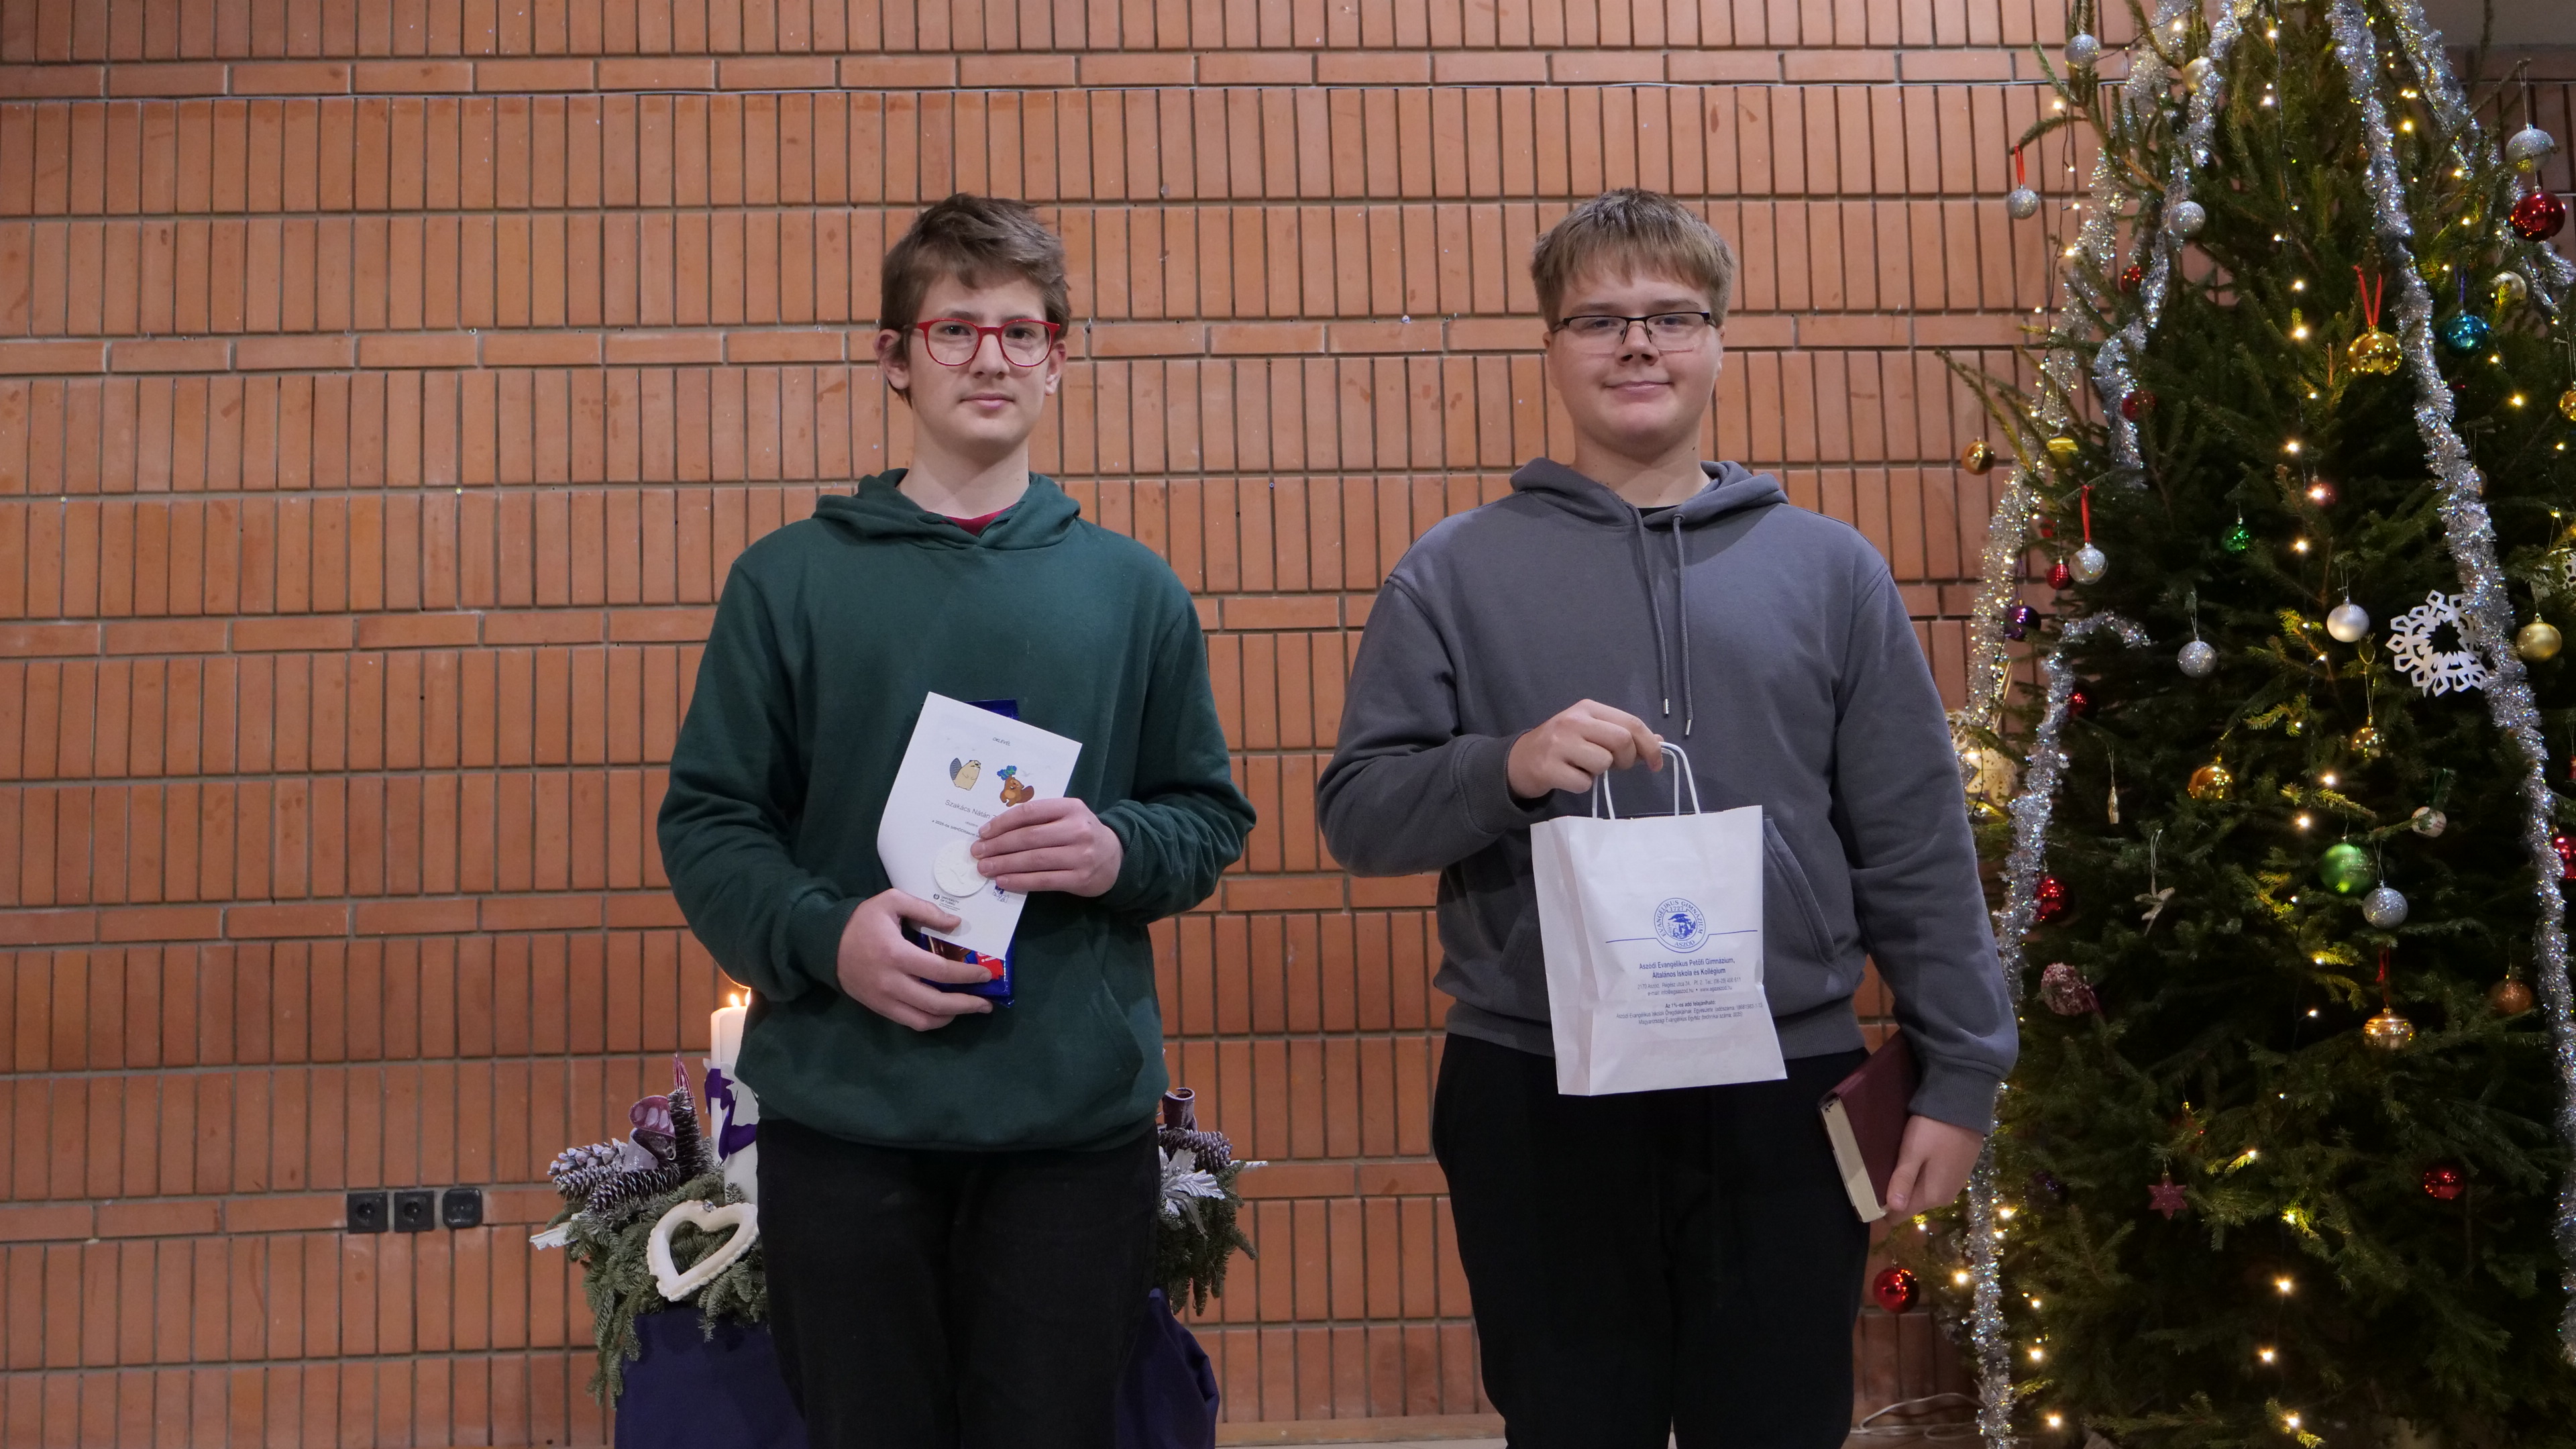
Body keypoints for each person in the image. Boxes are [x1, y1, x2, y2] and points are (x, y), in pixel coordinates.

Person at [1315, 189, 2017, 1448]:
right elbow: (1360, 816)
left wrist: (1962, 1073)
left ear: (1718, 342)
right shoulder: (1453, 571)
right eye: (1599, 319)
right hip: (1538, 1081)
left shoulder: (1831, 571)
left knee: (1780, 1423)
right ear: (1551, 348)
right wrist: (1504, 767)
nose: (1637, 344)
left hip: (1787, 1080)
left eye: (1671, 316)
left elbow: (1915, 842)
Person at [658, 193, 1255, 1449]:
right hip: (847, 1112)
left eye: (1022, 333)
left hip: (1068, 1125)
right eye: (956, 330)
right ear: (895, 356)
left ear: (1058, 359)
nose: (992, 358)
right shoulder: (789, 581)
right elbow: (711, 824)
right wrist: (827, 938)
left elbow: (1206, 816)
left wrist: (1117, 850)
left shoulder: (1133, 591)